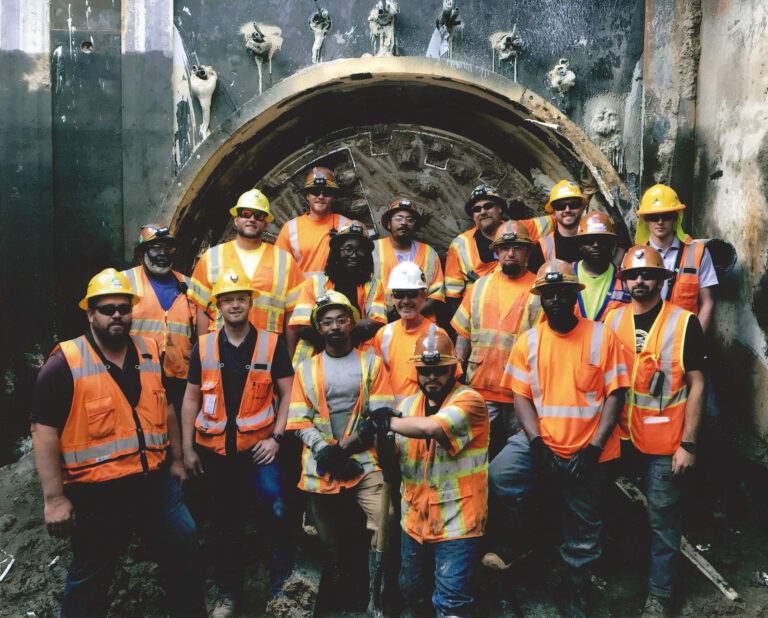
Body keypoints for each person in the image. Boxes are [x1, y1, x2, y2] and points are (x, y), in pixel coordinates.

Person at [30, 268, 205, 617]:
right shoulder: (64, 362)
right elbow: (43, 430)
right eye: (107, 309)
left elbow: (166, 407)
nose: (116, 316)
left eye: (123, 309)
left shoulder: (149, 350)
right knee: (92, 576)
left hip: (153, 484)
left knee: (184, 548)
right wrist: (54, 499)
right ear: (90, 313)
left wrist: (175, 460)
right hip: (98, 494)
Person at [488, 260, 628, 615]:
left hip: (588, 448)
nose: (555, 300)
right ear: (541, 300)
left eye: (562, 293)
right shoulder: (529, 341)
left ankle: (575, 583)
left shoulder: (601, 335)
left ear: (573, 296)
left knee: (583, 525)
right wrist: (536, 443)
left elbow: (616, 394)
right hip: (543, 440)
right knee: (501, 474)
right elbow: (520, 396)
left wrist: (594, 447)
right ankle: (531, 538)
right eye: (548, 294)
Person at [181, 267, 295, 617]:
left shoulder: (271, 343)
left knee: (276, 511)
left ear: (250, 303)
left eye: (240, 299)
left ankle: (282, 590)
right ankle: (229, 593)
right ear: (217, 306)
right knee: (224, 523)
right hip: (215, 454)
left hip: (260, 451)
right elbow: (190, 399)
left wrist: (276, 438)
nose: (234, 305)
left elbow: (289, 393)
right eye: (227, 300)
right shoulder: (204, 346)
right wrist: (187, 448)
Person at [604, 246, 706, 618]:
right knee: (620, 511)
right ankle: (625, 578)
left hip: (666, 442)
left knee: (663, 517)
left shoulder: (683, 322)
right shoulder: (613, 321)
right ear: (625, 281)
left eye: (648, 275)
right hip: (621, 437)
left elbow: (697, 384)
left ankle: (660, 594)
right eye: (633, 275)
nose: (640, 281)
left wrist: (689, 445)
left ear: (662, 280)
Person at [361, 330, 488, 617]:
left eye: (440, 370)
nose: (432, 377)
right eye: (425, 371)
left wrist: (387, 421)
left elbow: (432, 428)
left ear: (453, 369)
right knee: (412, 590)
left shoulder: (470, 402)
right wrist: (380, 434)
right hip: (415, 520)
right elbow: (389, 464)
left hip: (459, 521)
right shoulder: (406, 407)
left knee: (451, 601)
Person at [285, 291, 395, 611]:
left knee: (384, 519)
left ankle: (377, 598)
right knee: (330, 542)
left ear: (351, 323)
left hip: (364, 460)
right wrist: (326, 452)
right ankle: (336, 597)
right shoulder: (305, 368)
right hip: (321, 465)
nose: (335, 326)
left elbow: (380, 415)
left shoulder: (371, 362)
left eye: (341, 320)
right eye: (327, 321)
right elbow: (298, 418)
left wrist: (343, 449)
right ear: (319, 329)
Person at [451, 220, 542, 459]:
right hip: (480, 388)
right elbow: (463, 333)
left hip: (520, 394)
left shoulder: (539, 290)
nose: (510, 253)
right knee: (474, 453)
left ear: (528, 252)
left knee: (521, 456)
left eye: (517, 247)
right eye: (505, 247)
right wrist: (456, 375)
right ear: (496, 251)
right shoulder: (479, 287)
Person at [189, 188, 304, 353]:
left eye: (258, 216)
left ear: (265, 223)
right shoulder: (212, 257)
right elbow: (201, 309)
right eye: (246, 213)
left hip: (267, 348)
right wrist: (203, 352)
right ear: (236, 220)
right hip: (222, 348)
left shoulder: (284, 261)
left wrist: (290, 356)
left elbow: (291, 314)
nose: (251, 219)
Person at [121, 223, 201, 416]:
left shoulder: (190, 286)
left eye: (168, 248)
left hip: (182, 380)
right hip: (137, 375)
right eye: (156, 247)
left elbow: (204, 336)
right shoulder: (124, 283)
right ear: (141, 253)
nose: (163, 253)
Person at [287, 220, 387, 366]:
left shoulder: (374, 286)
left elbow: (376, 324)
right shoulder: (315, 282)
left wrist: (331, 328)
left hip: (358, 360)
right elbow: (304, 327)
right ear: (337, 251)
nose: (354, 255)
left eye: (360, 250)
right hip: (313, 360)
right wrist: (341, 334)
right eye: (348, 249)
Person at [445, 184, 555, 304]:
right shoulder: (459, 245)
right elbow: (452, 295)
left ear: (500, 208)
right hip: (481, 307)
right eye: (477, 209)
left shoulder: (521, 229)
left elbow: (558, 217)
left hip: (521, 302)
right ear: (473, 216)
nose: (482, 212)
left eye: (488, 206)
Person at [634, 183, 717, 332]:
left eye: (666, 216)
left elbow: (707, 303)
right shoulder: (634, 256)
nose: (660, 222)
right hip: (646, 336)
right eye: (653, 216)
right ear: (645, 219)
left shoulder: (698, 252)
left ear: (675, 217)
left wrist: (694, 342)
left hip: (683, 336)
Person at [372, 261, 450, 405]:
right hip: (391, 415)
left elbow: (447, 383)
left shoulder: (437, 335)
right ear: (392, 298)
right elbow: (377, 382)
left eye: (412, 294)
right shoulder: (383, 335)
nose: (406, 301)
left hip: (422, 417)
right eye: (399, 294)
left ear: (424, 295)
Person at [373, 198, 444, 320]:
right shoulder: (373, 250)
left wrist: (411, 313)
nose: (404, 223)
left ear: (415, 226)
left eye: (409, 219)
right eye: (398, 218)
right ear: (389, 224)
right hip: (383, 324)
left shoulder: (429, 253)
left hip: (423, 325)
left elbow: (437, 295)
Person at [276, 166, 351, 277]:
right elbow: (279, 270)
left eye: (326, 192)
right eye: (315, 191)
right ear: (307, 195)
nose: (320, 196)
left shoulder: (347, 225)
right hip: (303, 293)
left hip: (336, 293)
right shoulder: (290, 228)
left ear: (334, 197)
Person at [573, 211, 630, 322]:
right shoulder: (567, 274)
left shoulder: (625, 279)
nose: (596, 245)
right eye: (589, 240)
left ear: (612, 244)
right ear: (580, 245)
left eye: (602, 240)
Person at [528, 180, 589, 273]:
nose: (567, 210)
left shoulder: (594, 240)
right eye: (561, 206)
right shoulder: (543, 246)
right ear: (553, 212)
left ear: (581, 208)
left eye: (573, 205)